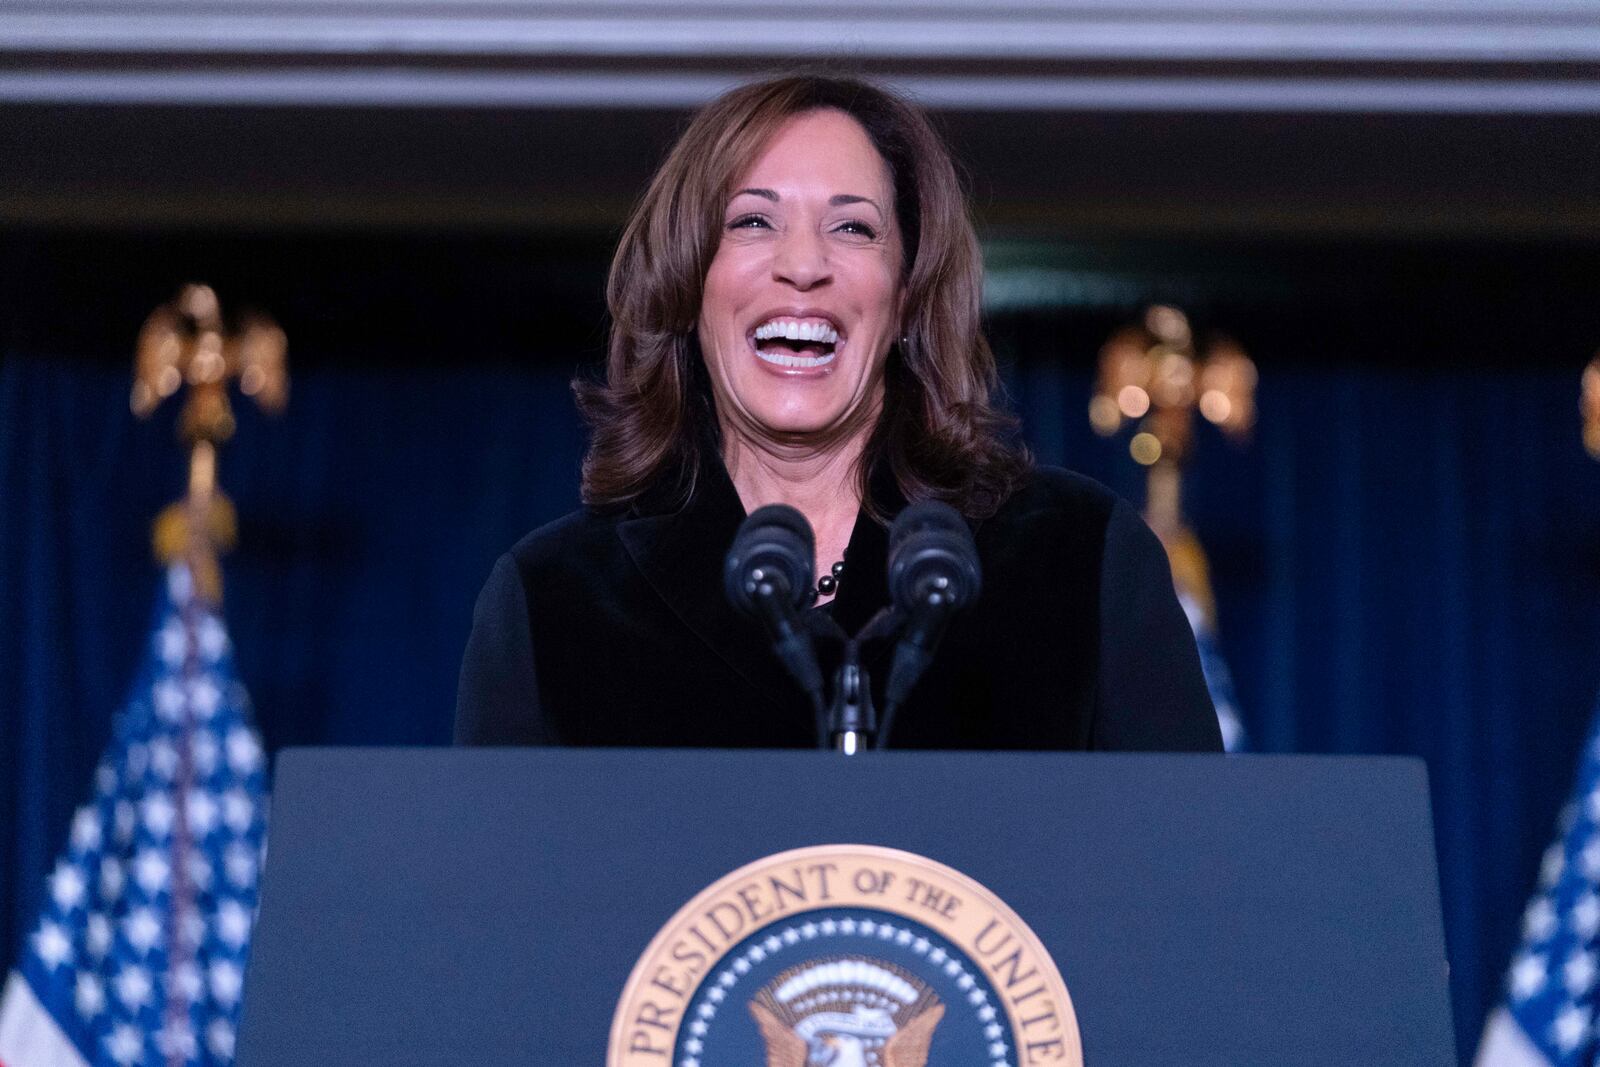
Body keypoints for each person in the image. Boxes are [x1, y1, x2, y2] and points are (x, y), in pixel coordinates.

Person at [455, 74, 1221, 752]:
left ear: (907, 297)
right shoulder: (556, 601)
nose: (803, 264)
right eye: (752, 221)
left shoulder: (1076, 560)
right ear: (689, 283)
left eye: (853, 227)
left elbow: (1186, 881)